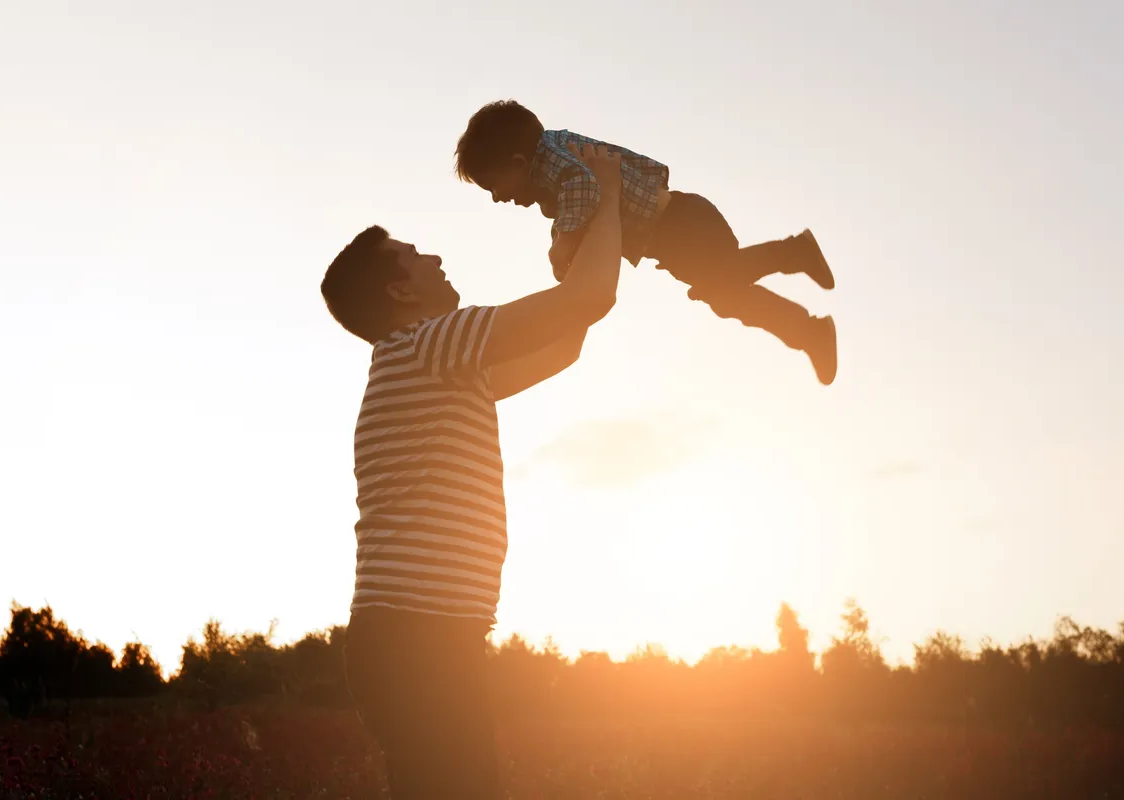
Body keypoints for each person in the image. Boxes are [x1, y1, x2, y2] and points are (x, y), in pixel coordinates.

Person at [319, 144, 627, 799]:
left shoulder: (440, 365)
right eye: (413, 254)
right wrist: (606, 194)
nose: (432, 256)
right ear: (401, 290)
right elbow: (590, 298)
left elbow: (566, 340)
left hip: (429, 641)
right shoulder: (428, 345)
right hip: (414, 641)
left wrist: (587, 240)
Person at [454, 99, 839, 385]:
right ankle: (809, 332)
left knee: (723, 284)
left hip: (682, 224)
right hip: (673, 236)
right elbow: (578, 203)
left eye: (493, 186)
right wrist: (563, 242)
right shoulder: (554, 167)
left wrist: (564, 243)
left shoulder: (555, 162)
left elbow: (585, 187)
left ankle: (795, 254)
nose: (496, 198)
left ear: (519, 163)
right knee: (725, 296)